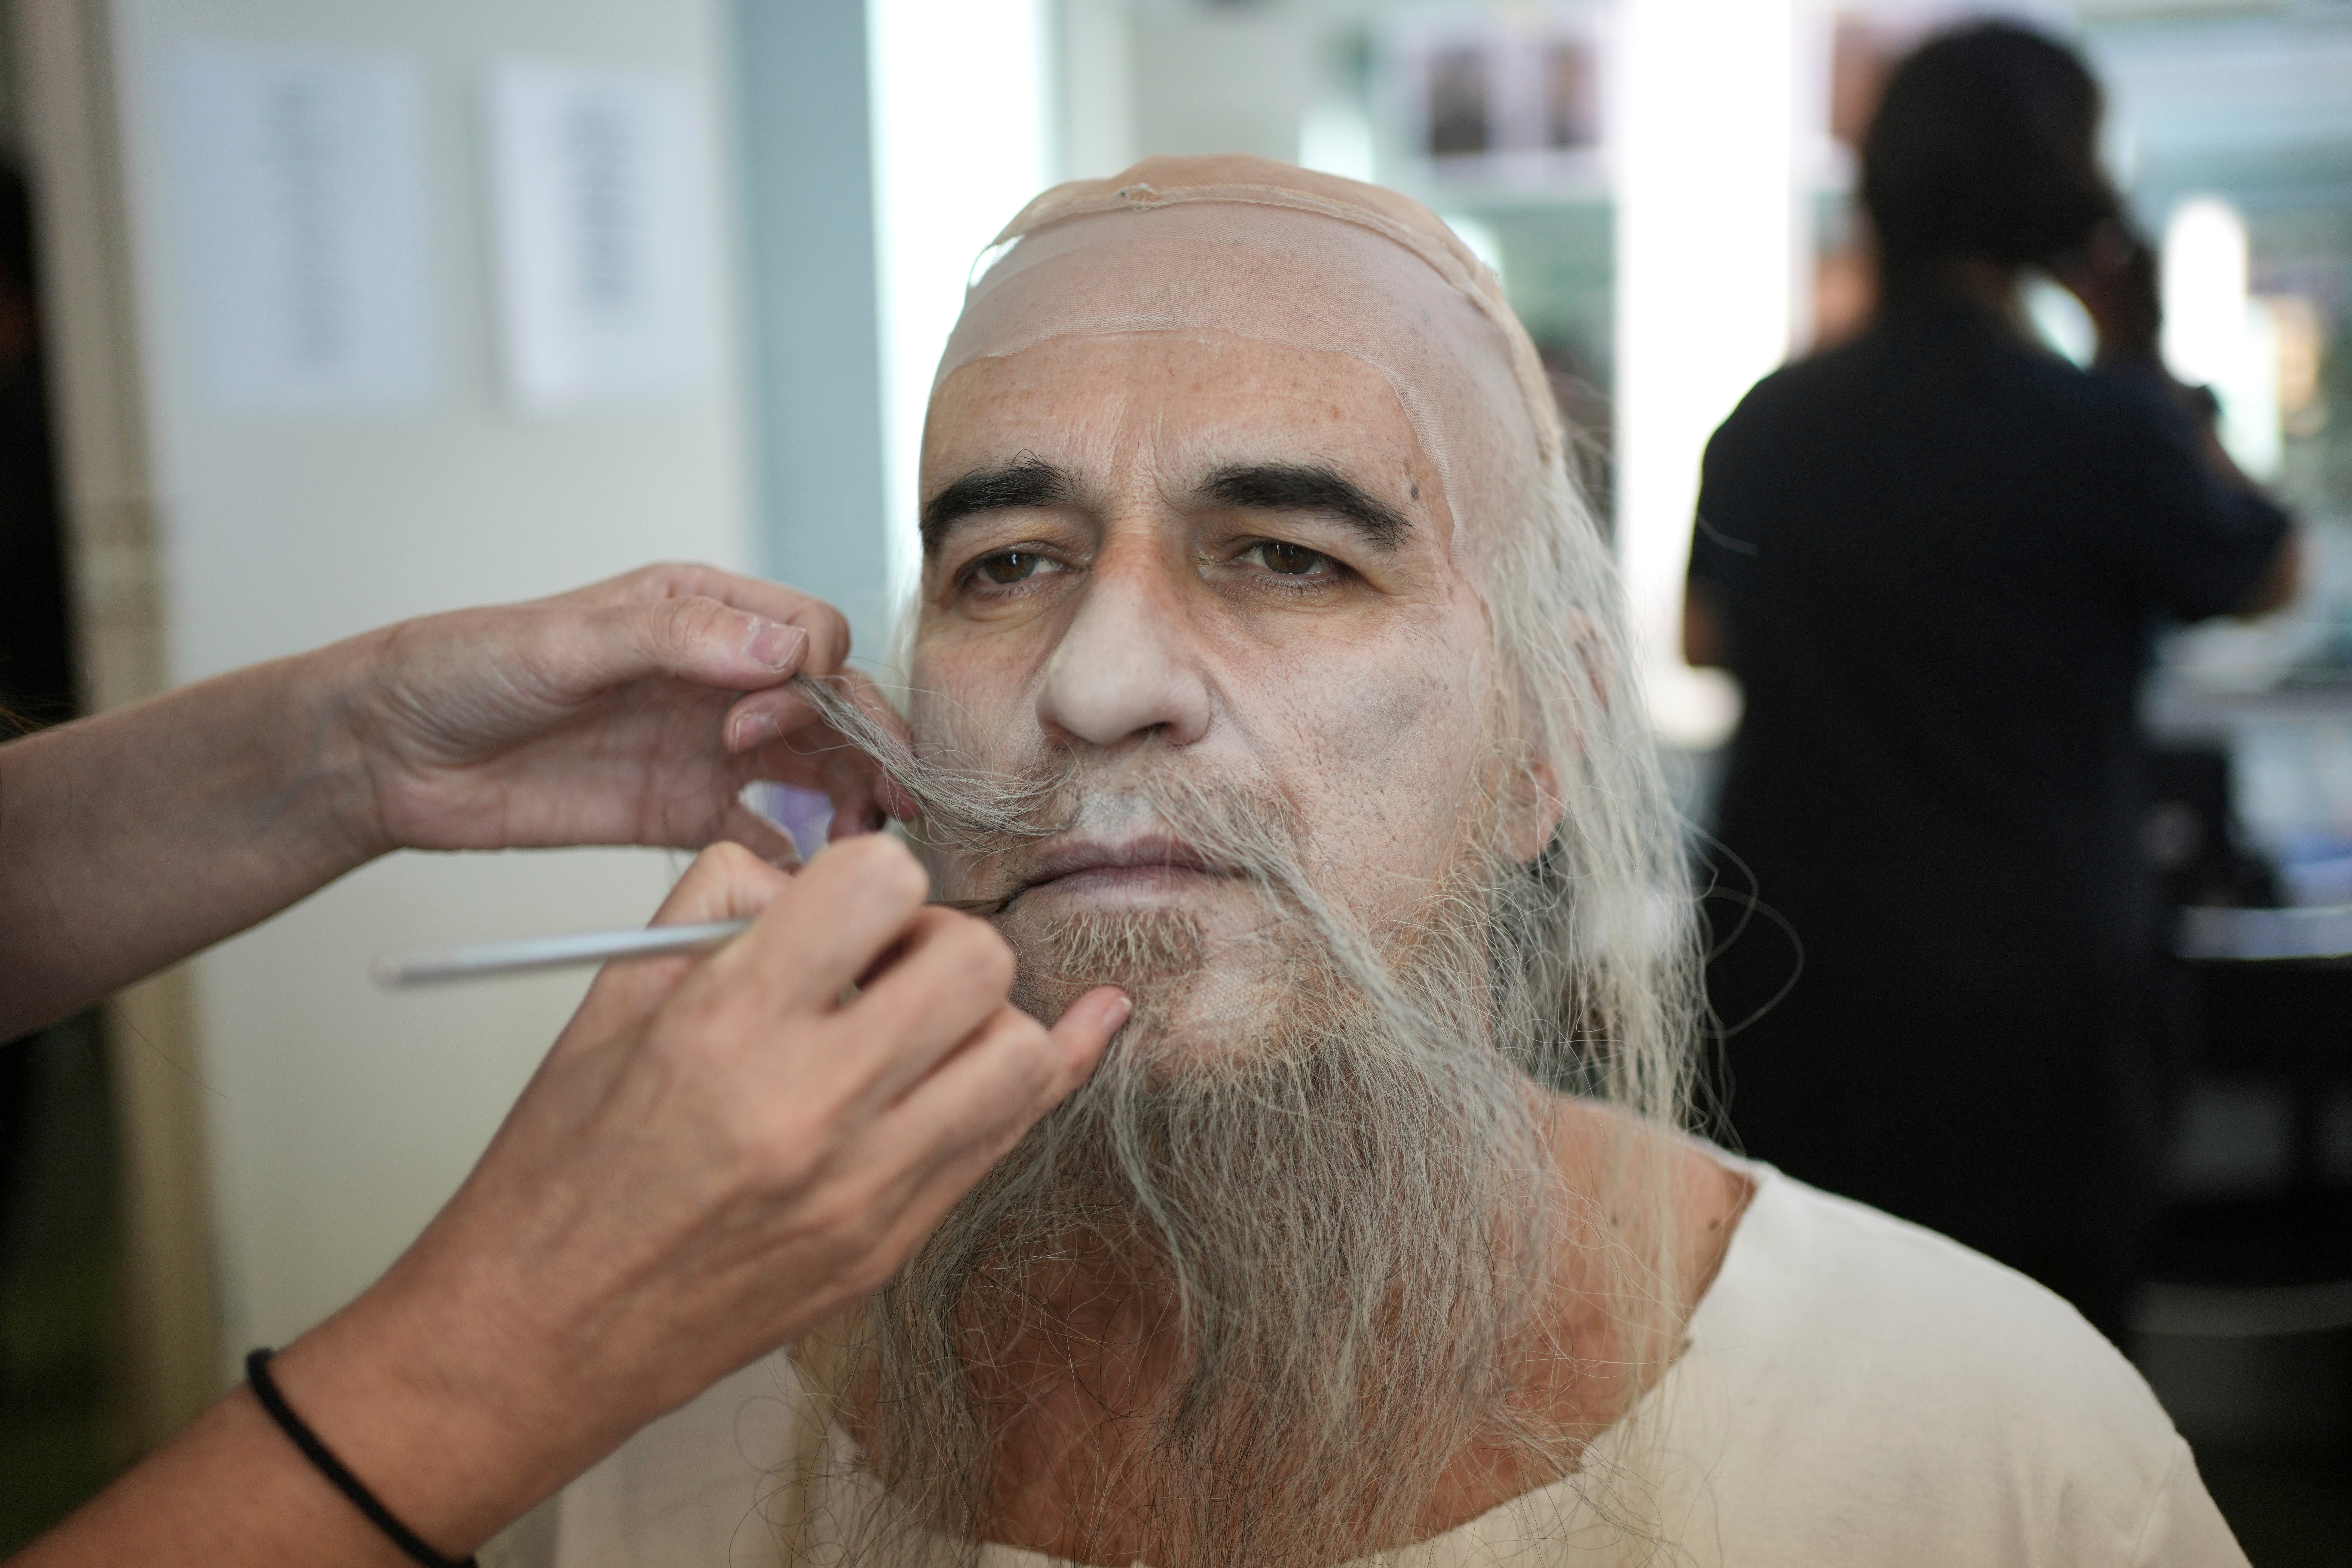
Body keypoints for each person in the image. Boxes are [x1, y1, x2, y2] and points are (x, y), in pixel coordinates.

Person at [531, 156, 2247, 1567]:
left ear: (1547, 737)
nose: (1098, 681)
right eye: (1008, 564)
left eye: (1288, 556)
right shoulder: (649, 1426)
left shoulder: (1988, 1455)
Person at [1, 563, 1129, 1565]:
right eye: (1009, 564)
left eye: (1247, 557)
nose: (1097, 687)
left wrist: (359, 751)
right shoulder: (686, 1440)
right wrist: (502, 1348)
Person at [1684, 23, 2297, 1343]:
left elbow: (1702, 637)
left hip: (1800, 999)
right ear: (2072, 199)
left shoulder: (1770, 426)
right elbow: (2269, 573)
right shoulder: (2104, 427)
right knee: (2044, 1387)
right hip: (2034, 1016)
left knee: (1808, 1383)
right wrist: (2140, 352)